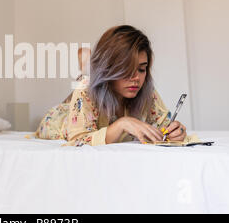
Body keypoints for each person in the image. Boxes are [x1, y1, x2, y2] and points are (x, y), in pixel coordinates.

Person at [35, 25, 187, 146]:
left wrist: (176, 131)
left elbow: (164, 126)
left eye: (142, 69)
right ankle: (87, 69)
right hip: (59, 119)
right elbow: (78, 140)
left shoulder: (146, 88)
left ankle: (87, 67)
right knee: (84, 85)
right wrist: (122, 123)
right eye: (126, 69)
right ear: (110, 68)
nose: (136, 78)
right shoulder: (85, 89)